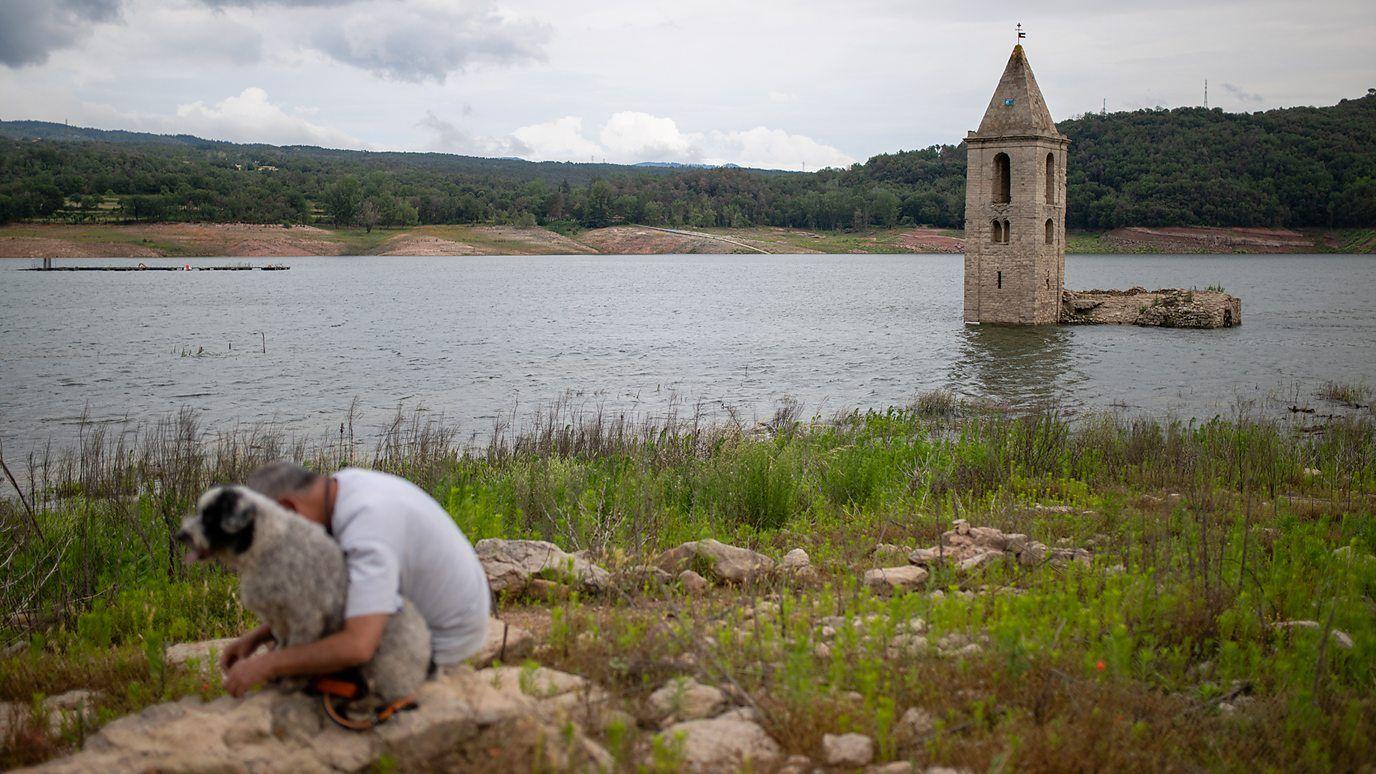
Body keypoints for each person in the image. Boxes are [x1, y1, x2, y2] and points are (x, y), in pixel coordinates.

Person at [218, 462, 490, 697]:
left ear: (289, 508)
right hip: (441, 608)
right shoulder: (343, 487)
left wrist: (268, 665)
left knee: (300, 677)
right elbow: (336, 590)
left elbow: (358, 646)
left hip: (444, 637)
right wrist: (255, 638)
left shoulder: (367, 532)